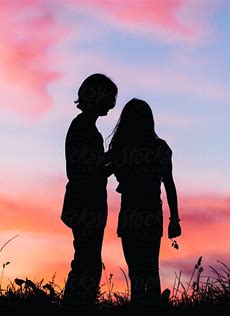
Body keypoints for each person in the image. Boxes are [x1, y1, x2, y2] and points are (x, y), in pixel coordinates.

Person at [108, 98, 182, 307]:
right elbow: (169, 184)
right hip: (148, 215)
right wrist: (174, 218)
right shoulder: (158, 148)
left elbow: (169, 184)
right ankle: (151, 306)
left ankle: (143, 306)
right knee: (148, 269)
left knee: (138, 271)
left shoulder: (122, 149)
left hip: (133, 215)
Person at [61, 73, 117, 308]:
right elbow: (84, 170)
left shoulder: (84, 127)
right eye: (109, 99)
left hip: (83, 203)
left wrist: (108, 161)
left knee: (86, 259)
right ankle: (77, 305)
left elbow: (89, 166)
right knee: (87, 261)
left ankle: (78, 304)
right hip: (85, 203)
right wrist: (112, 162)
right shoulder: (83, 128)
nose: (111, 105)